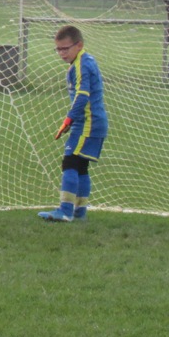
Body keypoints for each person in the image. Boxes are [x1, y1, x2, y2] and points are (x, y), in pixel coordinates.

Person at [38, 25, 108, 222]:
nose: (62, 53)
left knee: (69, 162)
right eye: (58, 49)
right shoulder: (85, 60)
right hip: (92, 122)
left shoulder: (81, 65)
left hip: (88, 123)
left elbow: (82, 96)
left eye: (65, 48)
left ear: (79, 45)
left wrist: (68, 119)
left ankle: (66, 211)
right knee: (80, 166)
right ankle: (79, 211)